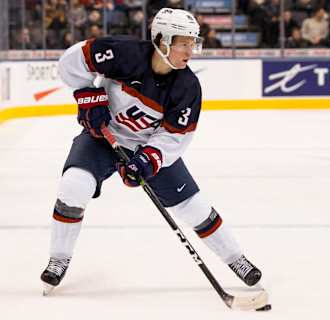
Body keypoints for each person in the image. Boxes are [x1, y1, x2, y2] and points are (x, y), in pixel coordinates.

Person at [40, 8, 262, 294]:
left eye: (193, 43)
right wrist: (87, 94)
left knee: (195, 208)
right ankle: (58, 259)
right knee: (73, 186)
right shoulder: (122, 53)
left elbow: (175, 137)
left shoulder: (187, 87)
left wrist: (148, 160)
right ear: (163, 40)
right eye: (184, 43)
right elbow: (71, 63)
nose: (191, 50)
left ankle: (237, 259)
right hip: (102, 138)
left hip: (147, 147)